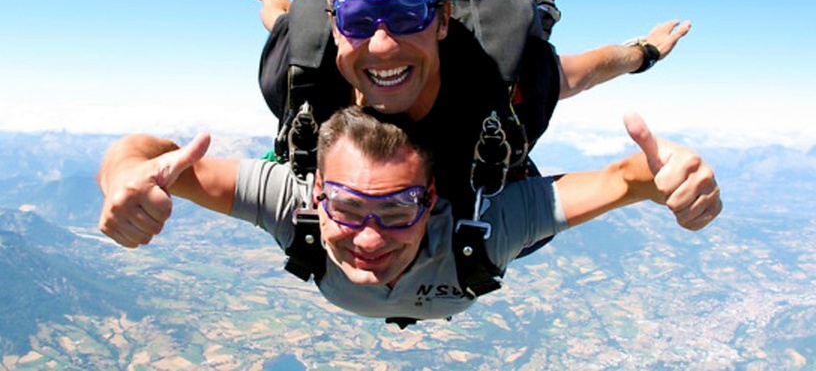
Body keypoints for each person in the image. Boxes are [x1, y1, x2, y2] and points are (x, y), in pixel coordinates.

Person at [97, 106, 722, 325]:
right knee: (281, 20)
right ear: (315, 192)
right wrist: (119, 175)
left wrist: (675, 179)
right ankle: (277, 3)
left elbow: (629, 178)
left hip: (480, 234)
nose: (369, 236)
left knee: (555, 81)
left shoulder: (489, 225)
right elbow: (149, 155)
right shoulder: (290, 201)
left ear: (433, 199)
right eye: (344, 204)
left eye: (398, 207)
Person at [237, 0, 693, 223]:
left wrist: (644, 50)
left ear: (442, 21)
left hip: (469, 139)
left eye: (407, 14)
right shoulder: (301, 79)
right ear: (334, 26)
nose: (381, 44)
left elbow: (581, 73)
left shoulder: (495, 76)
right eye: (356, 19)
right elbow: (280, 19)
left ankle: (536, 13)